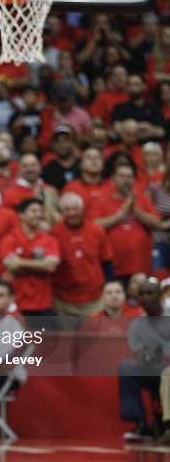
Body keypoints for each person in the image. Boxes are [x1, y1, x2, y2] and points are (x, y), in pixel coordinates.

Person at [118, 279, 170, 442]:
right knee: (127, 367)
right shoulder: (136, 325)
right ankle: (140, 424)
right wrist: (154, 355)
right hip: (156, 369)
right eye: (141, 294)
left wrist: (156, 354)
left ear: (161, 296)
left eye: (150, 293)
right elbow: (140, 355)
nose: (146, 297)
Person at [94, 164, 161, 283]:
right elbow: (95, 226)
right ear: (113, 179)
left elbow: (156, 223)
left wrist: (134, 208)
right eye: (122, 176)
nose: (126, 180)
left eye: (130, 177)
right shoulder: (102, 199)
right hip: (114, 266)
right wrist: (122, 213)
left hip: (142, 265)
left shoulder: (142, 199)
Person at [51, 193, 113, 318]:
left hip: (94, 300)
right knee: (67, 338)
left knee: (94, 337)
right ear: (62, 212)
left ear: (82, 209)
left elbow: (107, 260)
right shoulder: (54, 233)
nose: (72, 213)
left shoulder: (97, 230)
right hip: (64, 301)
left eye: (75, 209)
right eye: (67, 210)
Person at [0, 198, 60, 316]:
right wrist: (40, 265)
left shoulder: (49, 240)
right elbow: (12, 265)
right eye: (33, 211)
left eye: (40, 211)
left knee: (43, 335)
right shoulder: (9, 239)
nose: (38, 214)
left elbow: (50, 266)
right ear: (21, 215)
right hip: (16, 305)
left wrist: (21, 263)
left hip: (43, 305)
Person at [2, 153, 60, 227]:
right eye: (25, 166)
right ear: (19, 170)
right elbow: (7, 220)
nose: (30, 169)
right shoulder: (10, 194)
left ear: (40, 168)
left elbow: (58, 217)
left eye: (33, 165)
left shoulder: (51, 190)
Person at [62, 147, 105, 218]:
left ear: (103, 164)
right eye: (89, 158)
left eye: (97, 158)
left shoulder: (112, 186)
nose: (94, 160)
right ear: (81, 165)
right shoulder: (71, 188)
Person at [42, 125, 81, 191]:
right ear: (53, 145)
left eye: (65, 140)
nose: (61, 144)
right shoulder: (48, 169)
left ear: (73, 142)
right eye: (57, 141)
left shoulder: (82, 165)